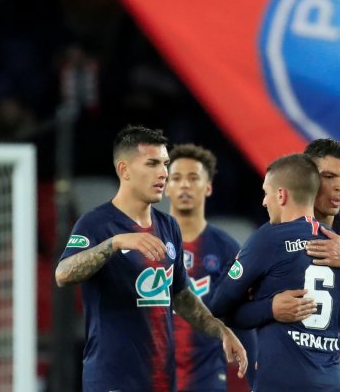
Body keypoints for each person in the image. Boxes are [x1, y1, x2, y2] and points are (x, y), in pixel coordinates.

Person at [55, 125, 246, 392]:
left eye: (165, 164)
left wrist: (219, 330)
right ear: (124, 170)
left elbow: (181, 295)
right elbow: (63, 274)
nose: (163, 173)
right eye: (152, 163)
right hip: (113, 380)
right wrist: (115, 243)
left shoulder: (168, 226)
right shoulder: (96, 224)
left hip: (160, 380)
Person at [222, 138, 340, 392]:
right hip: (285, 376)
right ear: (309, 178)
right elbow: (231, 306)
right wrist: (270, 309)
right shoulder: (274, 234)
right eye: (328, 177)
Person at [210, 153, 340, 391]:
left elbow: (218, 304)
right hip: (330, 382)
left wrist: (268, 308)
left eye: (266, 193)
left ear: (281, 195)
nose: (264, 202)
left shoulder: (269, 238)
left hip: (281, 382)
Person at [165, 143, 257, 391]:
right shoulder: (148, 243)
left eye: (193, 178)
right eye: (176, 178)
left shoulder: (226, 248)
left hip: (205, 377)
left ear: (208, 187)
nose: (185, 185)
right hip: (152, 375)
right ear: (166, 186)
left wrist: (255, 378)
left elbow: (242, 315)